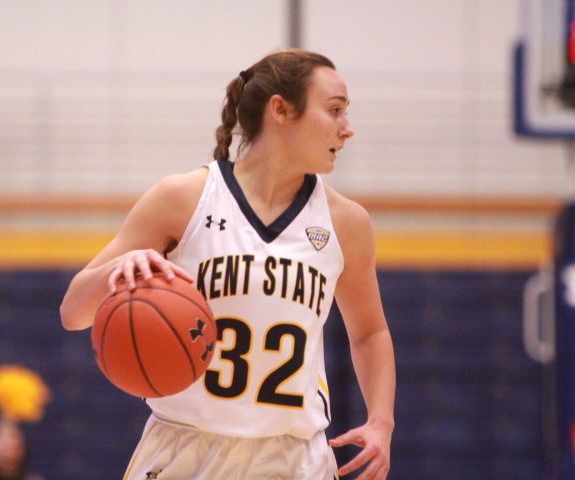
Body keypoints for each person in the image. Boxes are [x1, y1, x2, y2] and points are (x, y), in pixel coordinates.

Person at [60, 49, 396, 480]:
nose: (347, 129)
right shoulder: (183, 198)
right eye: (334, 111)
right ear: (281, 109)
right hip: (184, 449)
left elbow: (371, 332)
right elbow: (73, 313)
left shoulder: (346, 222)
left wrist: (381, 421)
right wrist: (124, 267)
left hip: (294, 459)